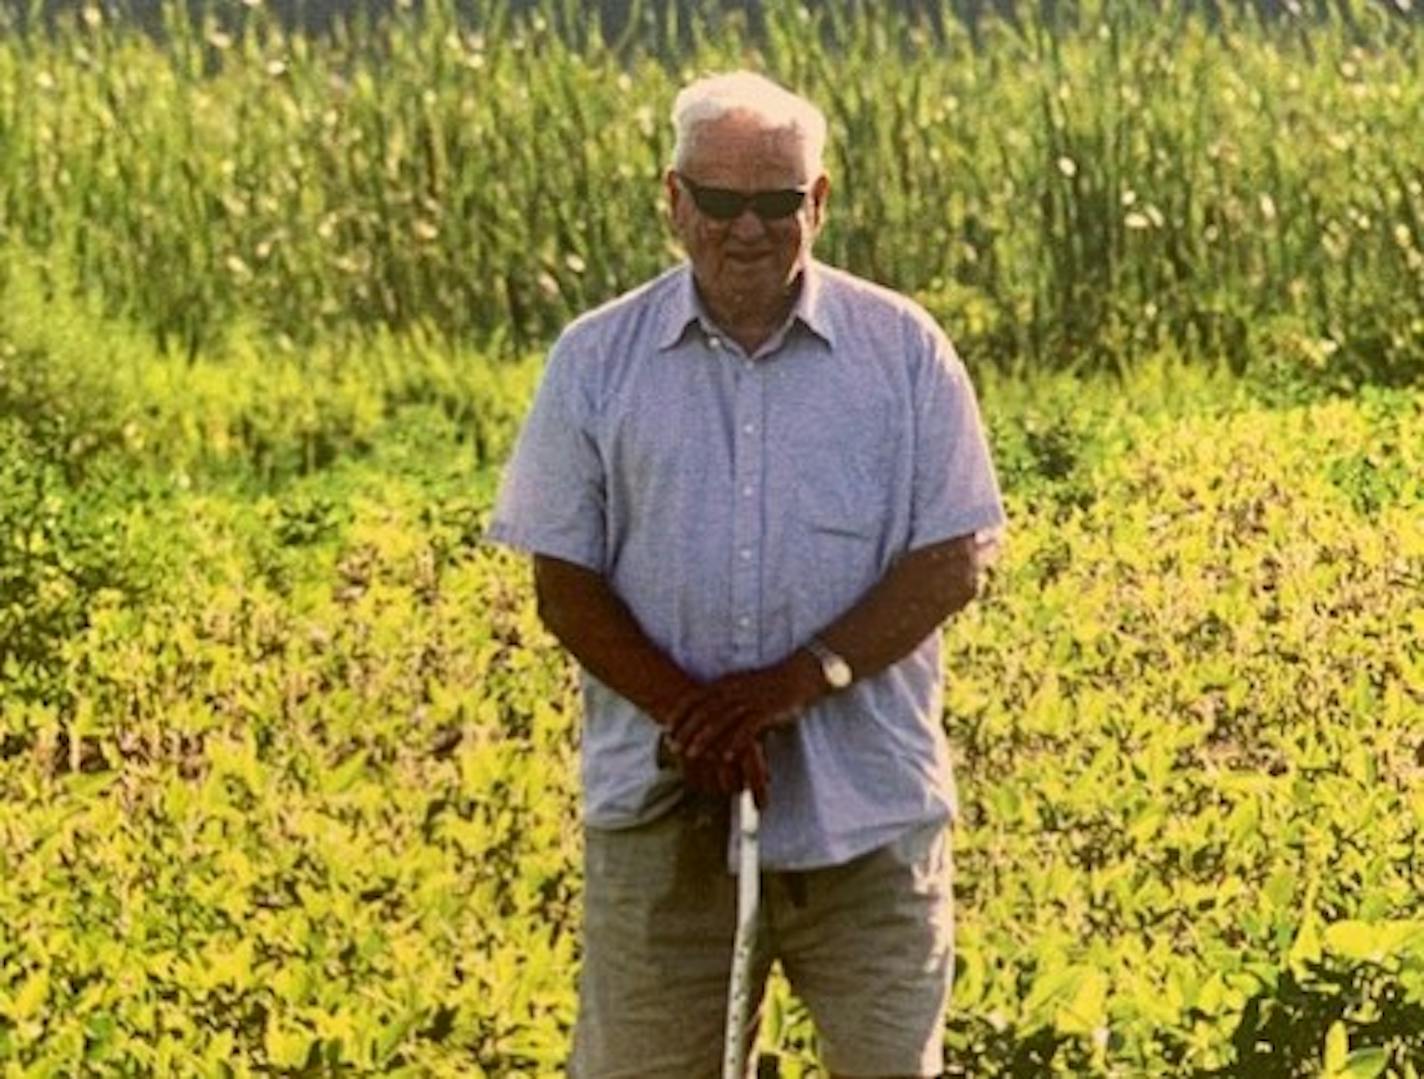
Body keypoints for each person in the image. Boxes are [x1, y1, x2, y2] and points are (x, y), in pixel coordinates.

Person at [488, 70, 1005, 1079]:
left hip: (867, 820)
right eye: (719, 201)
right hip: (662, 814)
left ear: (816, 202)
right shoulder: (595, 359)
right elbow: (566, 585)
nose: (746, 228)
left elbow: (951, 561)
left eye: (776, 202)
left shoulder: (901, 352)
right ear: (673, 200)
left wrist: (789, 686)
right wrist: (693, 716)